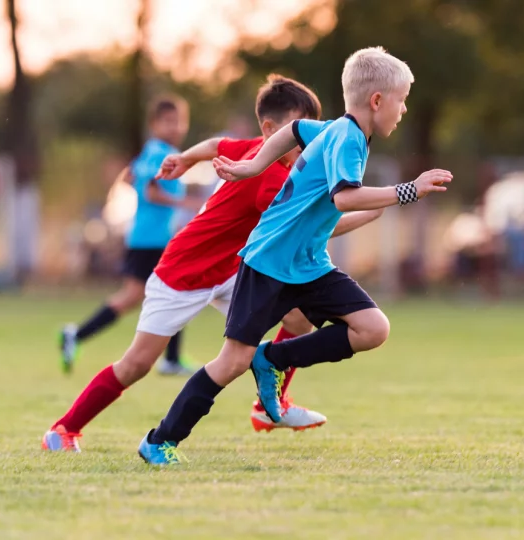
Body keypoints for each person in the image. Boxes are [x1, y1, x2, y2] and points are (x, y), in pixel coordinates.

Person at [137, 47, 452, 465]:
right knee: (232, 361)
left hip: (307, 265)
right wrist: (408, 190)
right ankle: (159, 440)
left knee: (372, 328)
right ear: (377, 101)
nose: (405, 108)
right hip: (268, 262)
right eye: (402, 99)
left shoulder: (335, 129)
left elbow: (293, 130)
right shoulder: (350, 139)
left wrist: (253, 165)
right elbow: (343, 198)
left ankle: (273, 358)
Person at [43, 76, 381, 453]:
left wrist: (187, 158)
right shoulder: (270, 175)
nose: (312, 142)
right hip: (182, 274)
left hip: (234, 271)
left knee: (299, 320)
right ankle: (63, 429)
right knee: (136, 364)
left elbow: (215, 145)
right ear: (270, 130)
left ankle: (269, 406)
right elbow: (302, 230)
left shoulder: (261, 153)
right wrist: (368, 213)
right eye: (302, 131)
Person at [59, 96, 200, 376]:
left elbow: (129, 177)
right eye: (168, 121)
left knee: (170, 290)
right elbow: (149, 191)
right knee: (160, 292)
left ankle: (77, 335)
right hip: (152, 239)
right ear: (154, 124)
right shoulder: (159, 152)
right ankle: (77, 335)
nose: (175, 127)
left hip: (151, 237)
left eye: (179, 121)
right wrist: (187, 205)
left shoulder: (152, 151)